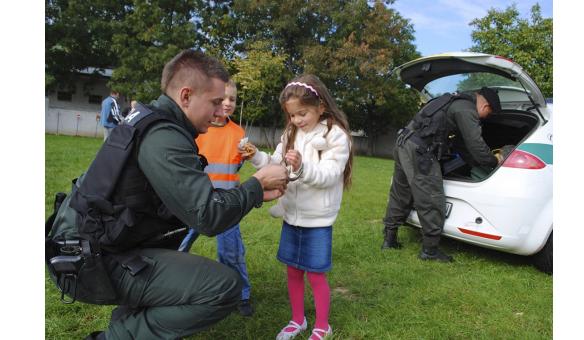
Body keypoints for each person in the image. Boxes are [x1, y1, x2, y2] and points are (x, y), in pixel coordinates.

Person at [45, 49, 288, 340]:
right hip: (88, 260)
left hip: (98, 247)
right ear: (186, 96)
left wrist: (255, 192)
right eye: (214, 102)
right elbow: (207, 216)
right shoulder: (163, 136)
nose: (221, 110)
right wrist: (256, 185)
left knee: (177, 266)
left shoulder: (152, 121)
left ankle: (127, 323)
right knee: (223, 287)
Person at [243, 74, 353, 340]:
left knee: (316, 275)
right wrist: (256, 155)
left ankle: (322, 326)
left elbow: (329, 175)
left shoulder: (335, 135)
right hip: (292, 215)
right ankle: (297, 320)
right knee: (293, 270)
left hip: (318, 219)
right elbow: (276, 162)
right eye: (292, 115)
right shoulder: (291, 133)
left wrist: (302, 166)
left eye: (302, 113)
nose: (297, 120)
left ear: (321, 107)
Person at [381, 87, 502, 262]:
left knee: (400, 192)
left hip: (403, 143)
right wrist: (493, 161)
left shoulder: (451, 100)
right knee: (431, 197)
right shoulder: (467, 110)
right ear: (486, 106)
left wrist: (475, 164)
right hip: (420, 151)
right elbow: (476, 145)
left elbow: (461, 144)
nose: (486, 117)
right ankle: (430, 251)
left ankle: (389, 240)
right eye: (489, 114)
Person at [178, 80, 255, 317]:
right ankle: (169, 287)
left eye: (232, 99)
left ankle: (241, 295)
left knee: (231, 252)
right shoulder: (198, 129)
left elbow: (237, 163)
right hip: (196, 201)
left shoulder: (238, 132)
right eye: (222, 99)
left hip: (227, 204)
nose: (227, 103)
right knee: (178, 246)